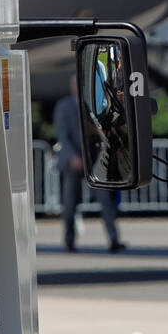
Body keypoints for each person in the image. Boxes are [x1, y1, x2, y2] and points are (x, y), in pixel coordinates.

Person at [54, 75, 125, 253]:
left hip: (94, 161)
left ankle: (114, 239)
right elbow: (63, 135)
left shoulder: (94, 106)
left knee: (106, 201)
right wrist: (72, 157)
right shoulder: (64, 106)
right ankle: (69, 241)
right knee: (70, 203)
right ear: (73, 87)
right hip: (73, 162)